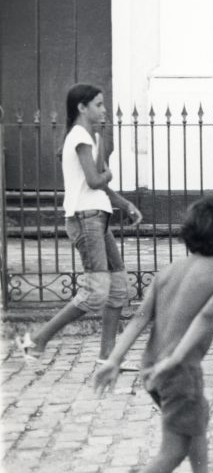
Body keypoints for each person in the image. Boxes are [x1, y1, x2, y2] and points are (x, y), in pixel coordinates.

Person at [92, 196, 213, 473]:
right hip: (177, 371)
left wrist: (113, 360)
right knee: (172, 449)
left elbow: (140, 318)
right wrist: (175, 360)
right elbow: (206, 317)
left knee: (197, 417)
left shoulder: (168, 271)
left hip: (151, 367)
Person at [20, 84, 143, 363]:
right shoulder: (79, 137)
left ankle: (107, 357)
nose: (104, 109)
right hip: (85, 219)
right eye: (98, 104)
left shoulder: (90, 137)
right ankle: (36, 341)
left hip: (96, 218)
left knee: (118, 287)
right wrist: (109, 173)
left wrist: (125, 204)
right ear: (82, 107)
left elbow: (99, 187)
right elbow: (96, 180)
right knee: (96, 291)